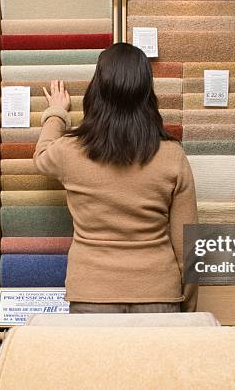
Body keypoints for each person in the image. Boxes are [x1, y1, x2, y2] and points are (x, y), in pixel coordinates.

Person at [34, 43, 198, 313]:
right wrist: (187, 307)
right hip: (158, 294)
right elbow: (188, 243)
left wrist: (57, 113)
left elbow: (41, 155)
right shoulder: (172, 155)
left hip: (91, 294)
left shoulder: (69, 151)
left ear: (96, 89)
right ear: (147, 93)